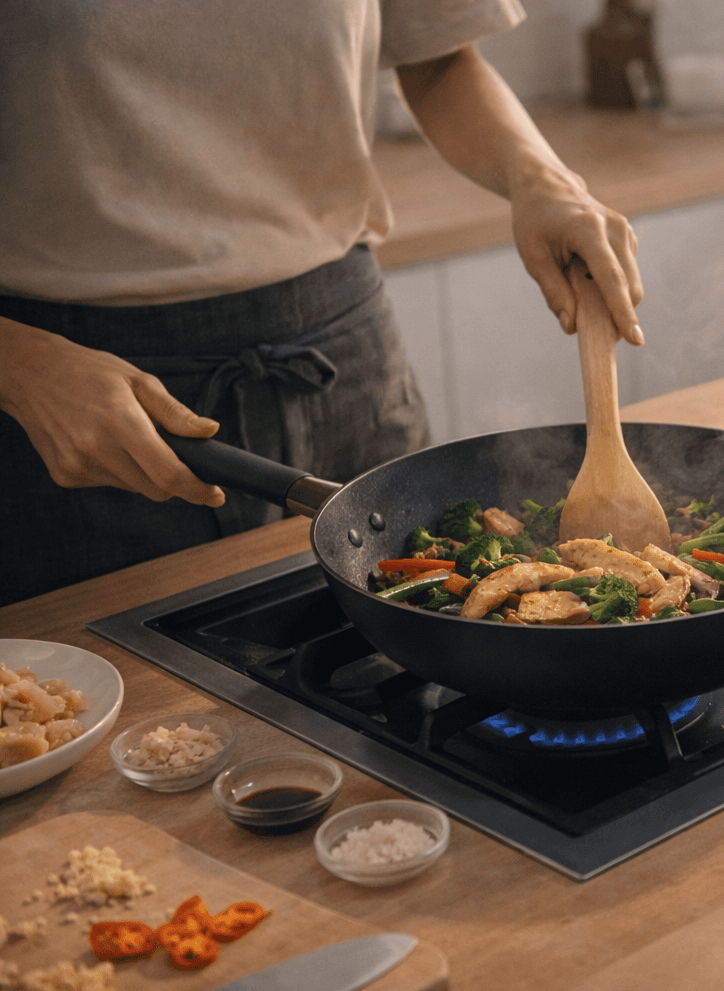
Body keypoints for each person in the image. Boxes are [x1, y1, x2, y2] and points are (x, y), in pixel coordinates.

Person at [0, 0, 645, 606]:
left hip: (344, 348)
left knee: (417, 653)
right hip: (80, 399)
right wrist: (20, 363)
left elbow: (439, 57)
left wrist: (544, 179)